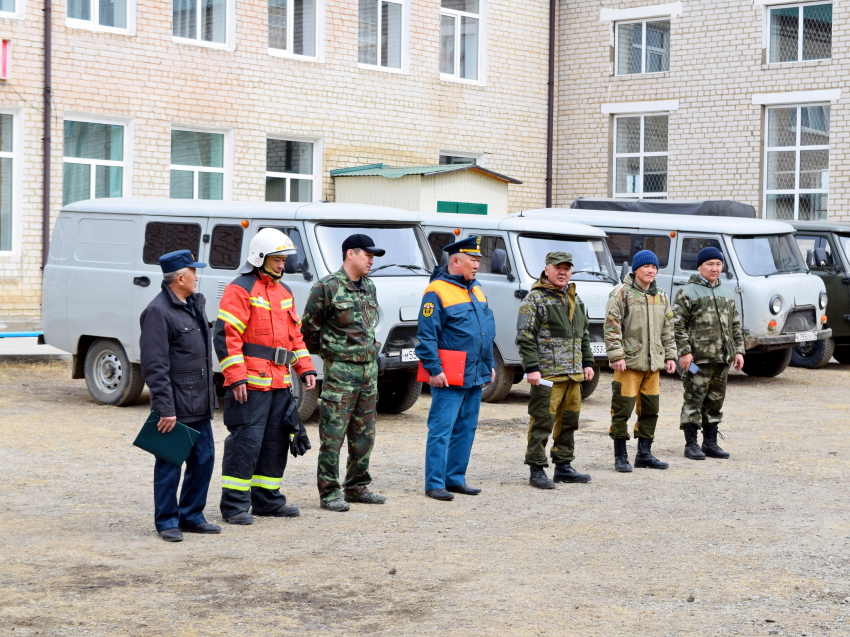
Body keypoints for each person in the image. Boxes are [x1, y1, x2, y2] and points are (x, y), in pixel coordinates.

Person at [215, 228, 317, 525]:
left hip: (279, 384)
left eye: (284, 260)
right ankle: (234, 507)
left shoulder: (284, 293)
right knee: (246, 443)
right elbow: (226, 336)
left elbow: (294, 338)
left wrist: (305, 368)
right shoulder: (240, 289)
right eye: (277, 259)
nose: (282, 265)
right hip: (250, 385)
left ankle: (268, 502)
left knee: (275, 443)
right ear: (260, 258)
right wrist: (236, 378)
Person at [301, 234, 387, 512]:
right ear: (351, 254)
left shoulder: (369, 288)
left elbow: (369, 326)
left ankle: (357, 486)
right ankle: (329, 492)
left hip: (368, 373)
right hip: (341, 373)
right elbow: (308, 330)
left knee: (365, 435)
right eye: (367, 255)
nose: (371, 260)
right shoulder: (327, 287)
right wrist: (333, 353)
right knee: (333, 435)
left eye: (373, 256)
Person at [139, 250, 219, 542]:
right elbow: (154, 365)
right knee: (170, 464)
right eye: (193, 271)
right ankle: (167, 521)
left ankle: (191, 516)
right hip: (176, 406)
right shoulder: (158, 312)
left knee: (204, 460)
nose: (198, 276)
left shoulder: (193, 305)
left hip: (199, 402)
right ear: (180, 277)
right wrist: (164, 408)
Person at [415, 235, 496, 501]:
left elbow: (485, 332)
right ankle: (435, 483)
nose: (477, 266)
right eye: (472, 261)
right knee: (442, 428)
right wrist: (434, 369)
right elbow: (427, 335)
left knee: (466, 428)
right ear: (456, 261)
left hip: (474, 372)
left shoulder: (477, 288)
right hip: (449, 374)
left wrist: (490, 364)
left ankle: (455, 478)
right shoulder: (436, 291)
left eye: (478, 261)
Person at [516, 251, 595, 489]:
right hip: (548, 374)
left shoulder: (576, 299)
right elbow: (524, 335)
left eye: (567, 268)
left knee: (569, 421)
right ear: (546, 269)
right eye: (557, 267)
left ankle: (563, 466)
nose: (563, 272)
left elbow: (584, 335)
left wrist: (588, 362)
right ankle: (537, 469)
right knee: (542, 420)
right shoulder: (535, 299)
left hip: (573, 374)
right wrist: (532, 368)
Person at [603, 250, 677, 473]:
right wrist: (616, 355)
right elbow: (611, 326)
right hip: (628, 364)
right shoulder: (621, 293)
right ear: (636, 269)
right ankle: (620, 456)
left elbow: (668, 328)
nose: (651, 271)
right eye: (646, 267)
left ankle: (644, 454)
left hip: (653, 364)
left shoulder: (661, 296)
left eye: (654, 267)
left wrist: (670, 355)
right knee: (622, 410)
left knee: (650, 410)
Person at [672, 246, 745, 460]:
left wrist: (738, 351)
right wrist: (684, 352)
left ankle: (710, 443)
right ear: (700, 267)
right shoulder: (688, 292)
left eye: (718, 264)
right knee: (694, 399)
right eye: (710, 264)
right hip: (697, 360)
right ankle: (691, 444)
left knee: (715, 401)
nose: (714, 268)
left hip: (721, 359)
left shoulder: (726, 293)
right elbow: (677, 325)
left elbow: (735, 324)